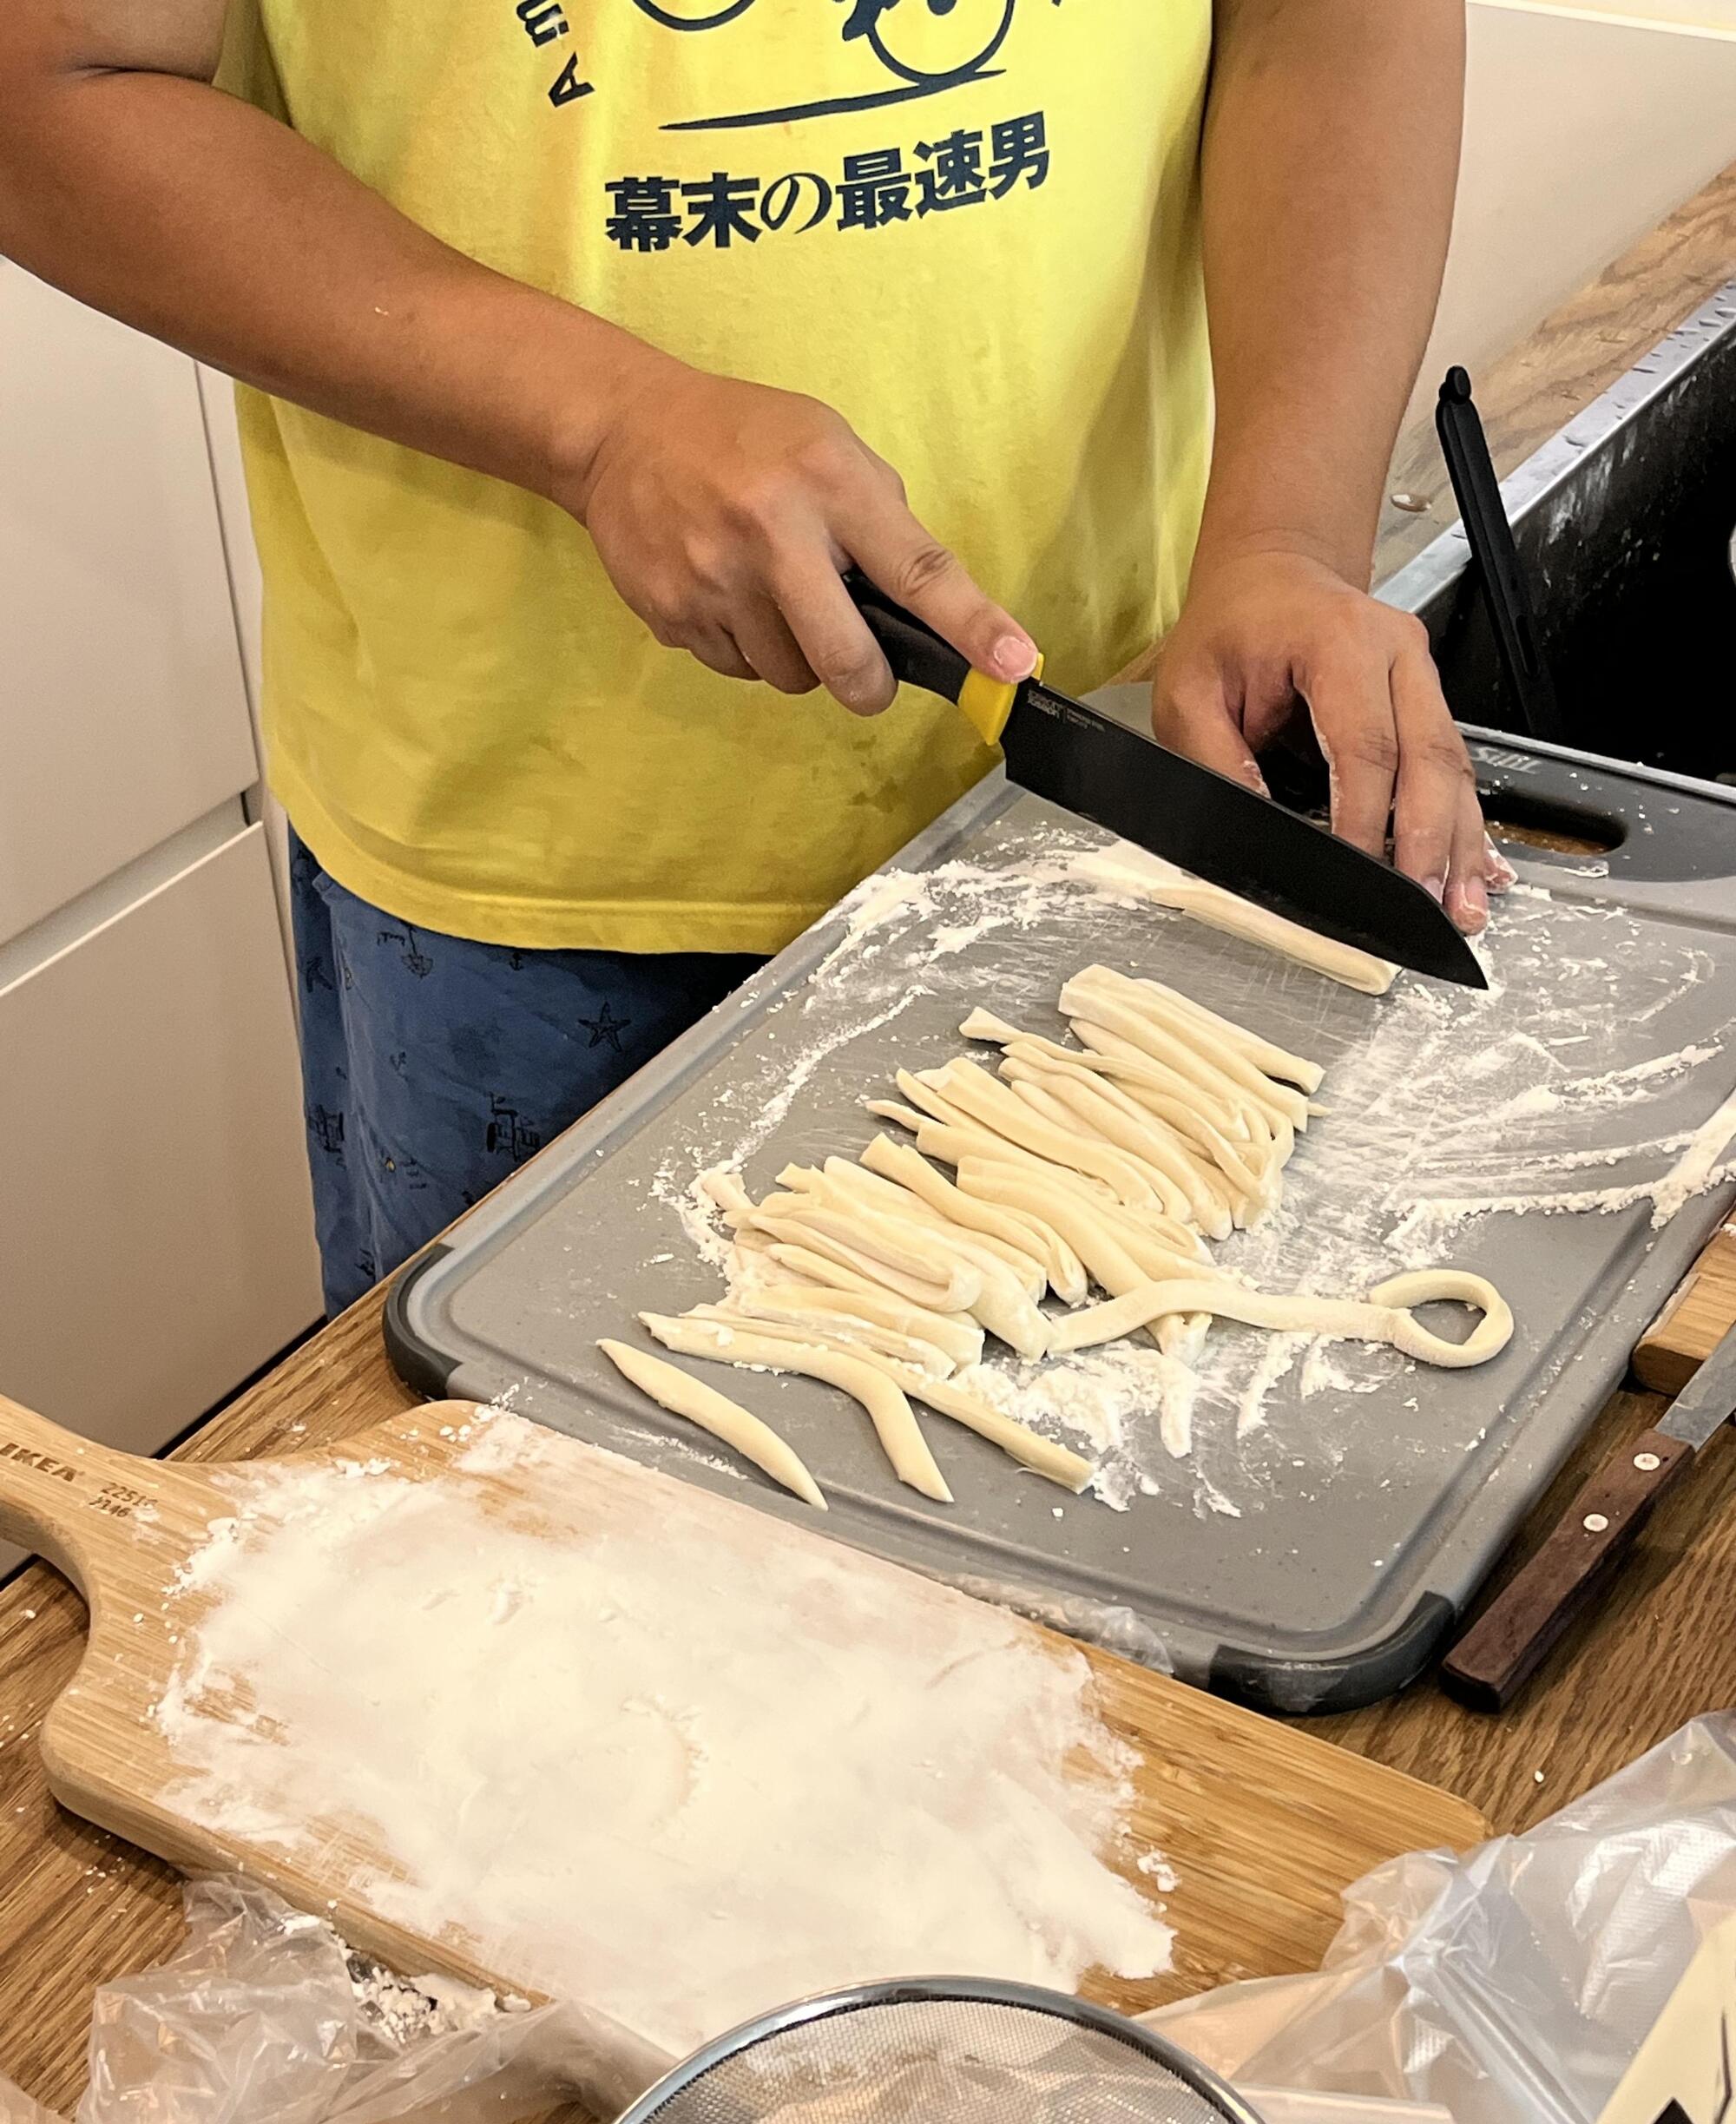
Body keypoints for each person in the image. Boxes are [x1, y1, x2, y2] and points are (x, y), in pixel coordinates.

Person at [0, 0, 1500, 1313]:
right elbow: (45, 84)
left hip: (1111, 775)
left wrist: (1287, 535)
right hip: (538, 888)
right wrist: (601, 422)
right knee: (552, 1527)